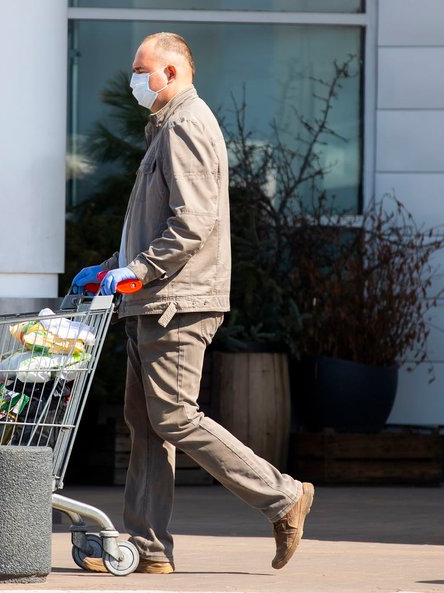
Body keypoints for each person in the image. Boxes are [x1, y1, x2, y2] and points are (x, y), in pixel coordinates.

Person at [72, 32, 314, 575]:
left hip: (176, 303)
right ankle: (149, 548)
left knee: (174, 417)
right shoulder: (165, 128)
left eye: (142, 71)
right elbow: (160, 224)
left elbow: (192, 224)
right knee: (147, 422)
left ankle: (283, 496)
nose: (135, 80)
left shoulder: (186, 125)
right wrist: (115, 265)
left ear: (173, 73)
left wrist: (136, 271)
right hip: (153, 300)